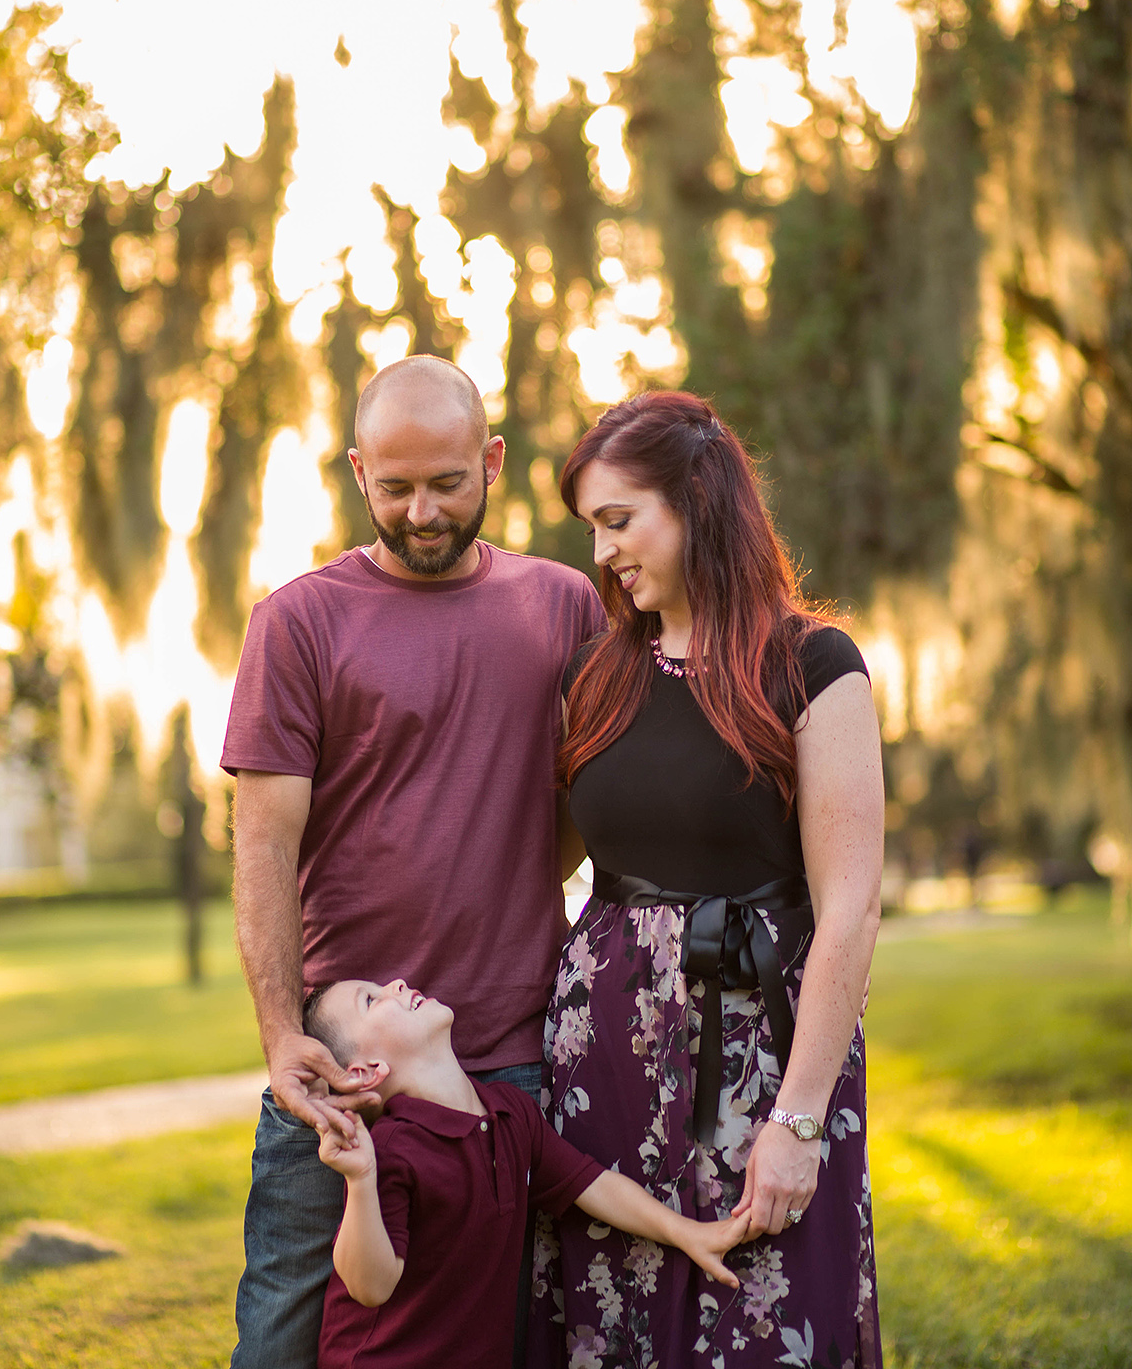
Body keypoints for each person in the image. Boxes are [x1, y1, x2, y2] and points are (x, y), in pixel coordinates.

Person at [221, 355, 606, 1369]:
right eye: (395, 488)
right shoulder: (299, 621)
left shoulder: (566, 606)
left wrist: (511, 864)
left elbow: (591, 806)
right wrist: (280, 1034)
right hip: (340, 1065)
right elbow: (263, 847)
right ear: (358, 473)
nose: (422, 513)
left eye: (447, 483)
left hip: (511, 1060)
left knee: (499, 1340)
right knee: (282, 1335)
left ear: (493, 462)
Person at [529, 390, 886, 1368]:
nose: (602, 551)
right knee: (613, 1333)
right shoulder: (593, 677)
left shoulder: (813, 666)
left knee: (766, 1325)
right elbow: (541, 868)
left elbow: (851, 909)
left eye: (618, 520)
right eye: (592, 528)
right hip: (601, 1069)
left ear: (696, 499)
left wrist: (799, 1120)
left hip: (761, 1065)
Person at [304, 974, 750, 1368]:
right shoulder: (391, 1150)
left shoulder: (511, 1113)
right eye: (371, 999)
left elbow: (592, 1184)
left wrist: (687, 1233)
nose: (397, 984)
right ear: (366, 1072)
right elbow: (370, 1286)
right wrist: (360, 1181)